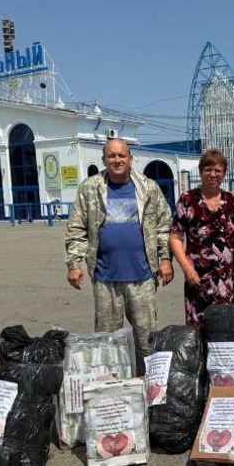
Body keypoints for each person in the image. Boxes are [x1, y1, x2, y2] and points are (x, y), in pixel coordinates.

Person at [65, 138, 173, 375]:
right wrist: (74, 263)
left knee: (147, 338)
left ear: (130, 159)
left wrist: (165, 259)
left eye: (122, 155)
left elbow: (164, 226)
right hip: (106, 279)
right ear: (104, 160)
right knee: (108, 341)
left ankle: (149, 384)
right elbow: (76, 228)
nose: (117, 160)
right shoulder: (90, 188)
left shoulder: (148, 188)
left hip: (142, 277)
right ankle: (111, 386)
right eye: (111, 156)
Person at [169, 149, 234, 325]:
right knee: (199, 331)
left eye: (218, 170)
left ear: (224, 173)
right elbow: (175, 237)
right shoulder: (187, 200)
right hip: (198, 280)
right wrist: (187, 269)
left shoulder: (232, 201)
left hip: (228, 281)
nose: (213, 174)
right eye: (208, 169)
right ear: (200, 171)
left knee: (228, 330)